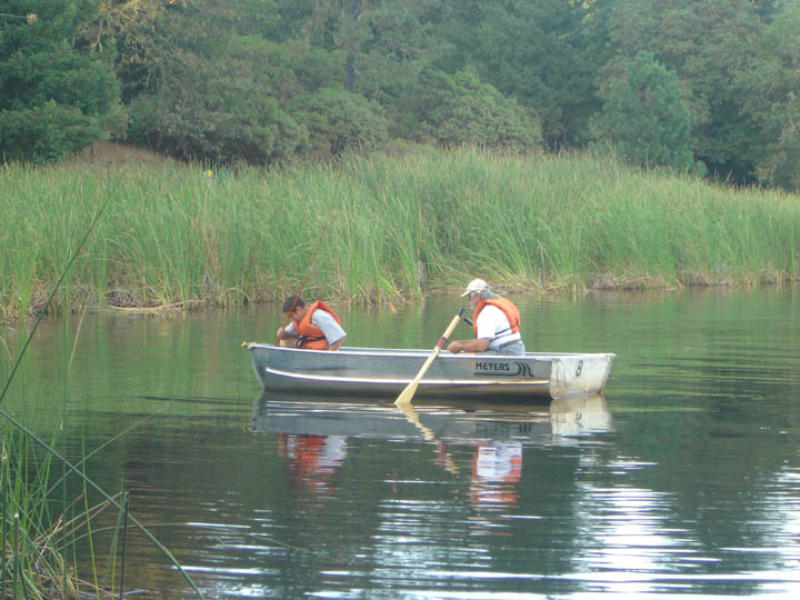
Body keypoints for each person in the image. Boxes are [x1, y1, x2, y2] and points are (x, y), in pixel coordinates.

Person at [447, 278, 525, 356]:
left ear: (477, 295)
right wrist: (460, 344)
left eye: (469, 296)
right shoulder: (493, 308)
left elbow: (481, 345)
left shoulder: (487, 312)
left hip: (506, 352)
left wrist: (459, 346)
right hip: (515, 350)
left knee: (466, 356)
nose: (469, 300)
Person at [276, 296, 346, 351]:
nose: (291, 319)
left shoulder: (319, 316)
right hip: (308, 349)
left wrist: (329, 355)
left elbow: (339, 337)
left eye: (291, 316)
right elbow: (287, 334)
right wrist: (281, 333)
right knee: (284, 341)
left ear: (298, 309)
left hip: (323, 350)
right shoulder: (298, 321)